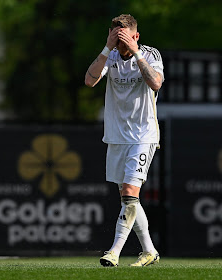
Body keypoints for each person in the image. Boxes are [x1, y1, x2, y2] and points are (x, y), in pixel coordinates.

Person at [85, 14, 164, 267]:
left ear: (136, 36)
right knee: (128, 199)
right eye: (116, 39)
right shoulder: (111, 55)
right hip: (117, 136)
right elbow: (90, 80)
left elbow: (156, 83)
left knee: (130, 193)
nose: (121, 45)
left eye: (124, 39)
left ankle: (114, 252)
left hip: (143, 135)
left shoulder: (150, 54)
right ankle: (150, 251)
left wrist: (135, 52)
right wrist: (108, 48)